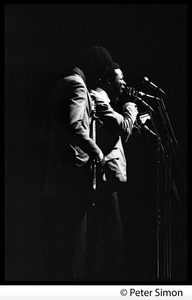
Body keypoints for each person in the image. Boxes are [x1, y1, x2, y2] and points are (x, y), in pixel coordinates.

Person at [41, 46, 113, 281]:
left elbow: (52, 130)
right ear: (97, 69)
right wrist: (97, 153)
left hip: (62, 173)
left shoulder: (63, 81)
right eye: (101, 73)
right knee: (74, 247)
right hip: (74, 176)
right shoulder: (77, 85)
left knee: (67, 246)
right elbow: (74, 126)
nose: (100, 79)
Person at [85, 62, 138, 281]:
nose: (124, 83)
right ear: (108, 80)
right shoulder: (98, 98)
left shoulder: (105, 101)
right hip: (103, 178)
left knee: (103, 238)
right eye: (120, 79)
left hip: (106, 178)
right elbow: (123, 126)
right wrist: (131, 106)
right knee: (112, 237)